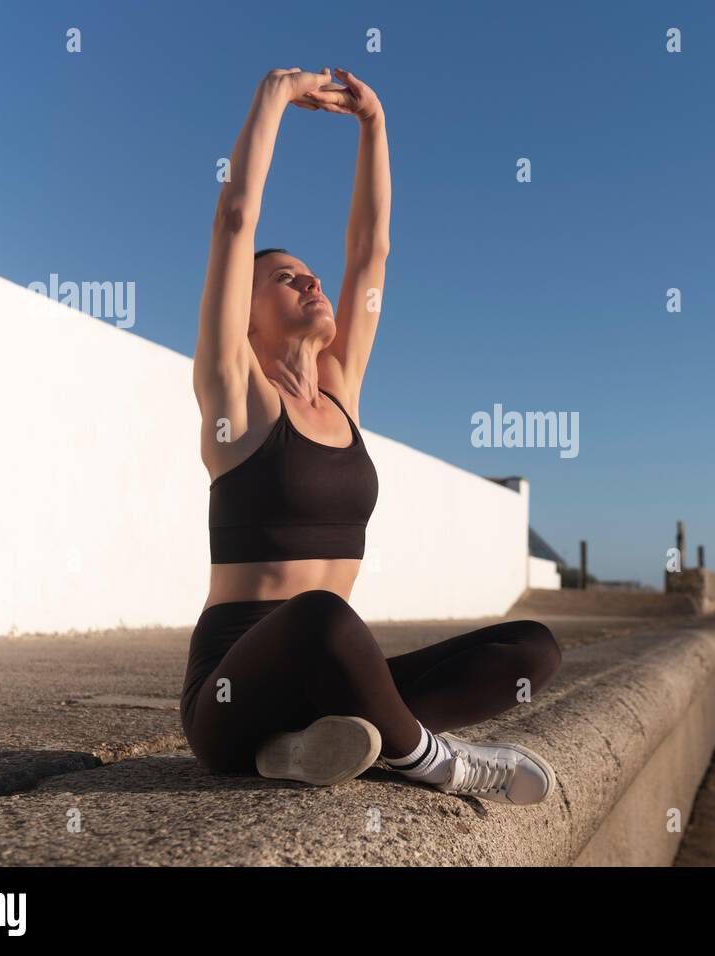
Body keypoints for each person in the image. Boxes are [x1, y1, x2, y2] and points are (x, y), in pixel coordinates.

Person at [181, 67, 562, 806]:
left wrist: (374, 124)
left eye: (311, 276)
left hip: (328, 677)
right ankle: (428, 758)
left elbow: (371, 254)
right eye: (286, 278)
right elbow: (235, 218)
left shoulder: (341, 391)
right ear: (247, 319)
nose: (311, 283)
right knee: (323, 615)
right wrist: (273, 98)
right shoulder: (236, 396)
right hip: (230, 693)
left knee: (532, 650)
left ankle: (306, 748)